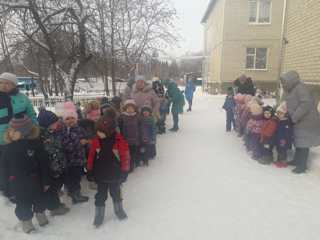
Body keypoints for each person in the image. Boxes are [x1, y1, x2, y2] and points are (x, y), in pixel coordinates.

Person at [0, 115, 50, 233]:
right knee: (23, 204)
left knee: (39, 200)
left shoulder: (36, 145)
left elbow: (44, 164)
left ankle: (40, 213)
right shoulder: (7, 148)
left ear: (24, 133)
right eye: (10, 131)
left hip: (35, 180)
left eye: (14, 131)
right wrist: (5, 187)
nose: (11, 133)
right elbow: (3, 169)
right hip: (17, 183)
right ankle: (26, 221)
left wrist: (46, 180)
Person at [87, 113, 130, 227]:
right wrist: (90, 170)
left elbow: (125, 157)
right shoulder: (96, 141)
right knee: (100, 196)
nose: (97, 133)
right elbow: (91, 156)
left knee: (116, 193)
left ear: (109, 131)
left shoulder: (119, 141)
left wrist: (125, 171)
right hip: (100, 175)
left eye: (100, 131)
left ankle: (119, 210)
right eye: (97, 131)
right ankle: (99, 215)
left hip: (115, 175)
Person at [0, 72, 37, 198]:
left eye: (7, 83)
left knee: (19, 165)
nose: (3, 85)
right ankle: (6, 189)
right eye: (1, 82)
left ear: (14, 85)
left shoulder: (22, 98)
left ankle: (19, 189)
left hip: (22, 137)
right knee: (4, 166)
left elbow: (32, 115)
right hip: (3, 140)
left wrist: (33, 129)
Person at [280, 71, 320, 173]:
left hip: (307, 122)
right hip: (299, 121)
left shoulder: (301, 88)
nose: (283, 84)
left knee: (304, 143)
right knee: (298, 141)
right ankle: (296, 160)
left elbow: (306, 104)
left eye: (284, 82)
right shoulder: (291, 89)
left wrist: (294, 116)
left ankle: (302, 166)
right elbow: (287, 102)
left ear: (291, 81)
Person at [38, 109, 70, 216]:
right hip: (50, 169)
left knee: (56, 187)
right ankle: (54, 208)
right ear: (48, 124)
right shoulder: (41, 137)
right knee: (51, 190)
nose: (57, 124)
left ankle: (56, 203)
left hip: (57, 166)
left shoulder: (52, 132)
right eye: (55, 122)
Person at [61, 102, 89, 203]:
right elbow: (66, 146)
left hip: (80, 158)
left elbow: (85, 137)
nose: (70, 120)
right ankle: (76, 196)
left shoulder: (79, 129)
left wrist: (85, 141)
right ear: (64, 121)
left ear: (76, 119)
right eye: (67, 119)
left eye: (72, 118)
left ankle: (74, 192)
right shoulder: (64, 131)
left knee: (77, 177)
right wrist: (80, 143)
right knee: (74, 178)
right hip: (70, 160)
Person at [118, 100, 141, 171]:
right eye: (128, 108)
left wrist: (140, 137)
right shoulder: (122, 117)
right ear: (125, 109)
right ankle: (126, 166)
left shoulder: (137, 116)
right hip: (125, 139)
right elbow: (120, 127)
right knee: (126, 154)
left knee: (133, 153)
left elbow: (140, 127)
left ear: (134, 109)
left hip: (135, 139)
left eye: (132, 108)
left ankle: (132, 165)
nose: (130, 109)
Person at [274, 102, 293, 168]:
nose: (279, 115)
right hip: (278, 139)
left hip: (283, 140)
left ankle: (283, 162)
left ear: (285, 114)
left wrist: (285, 140)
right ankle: (279, 161)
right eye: (278, 113)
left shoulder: (286, 122)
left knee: (283, 151)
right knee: (279, 150)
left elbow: (288, 133)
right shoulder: (279, 121)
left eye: (281, 113)